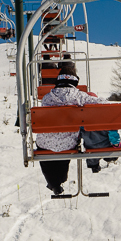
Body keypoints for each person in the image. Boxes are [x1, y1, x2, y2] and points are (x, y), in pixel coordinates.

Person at [35, 62, 109, 195]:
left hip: (44, 144)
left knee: (46, 161)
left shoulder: (47, 98)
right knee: (65, 151)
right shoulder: (79, 96)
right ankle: (61, 178)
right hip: (67, 144)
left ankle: (54, 183)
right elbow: (102, 104)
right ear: (75, 82)